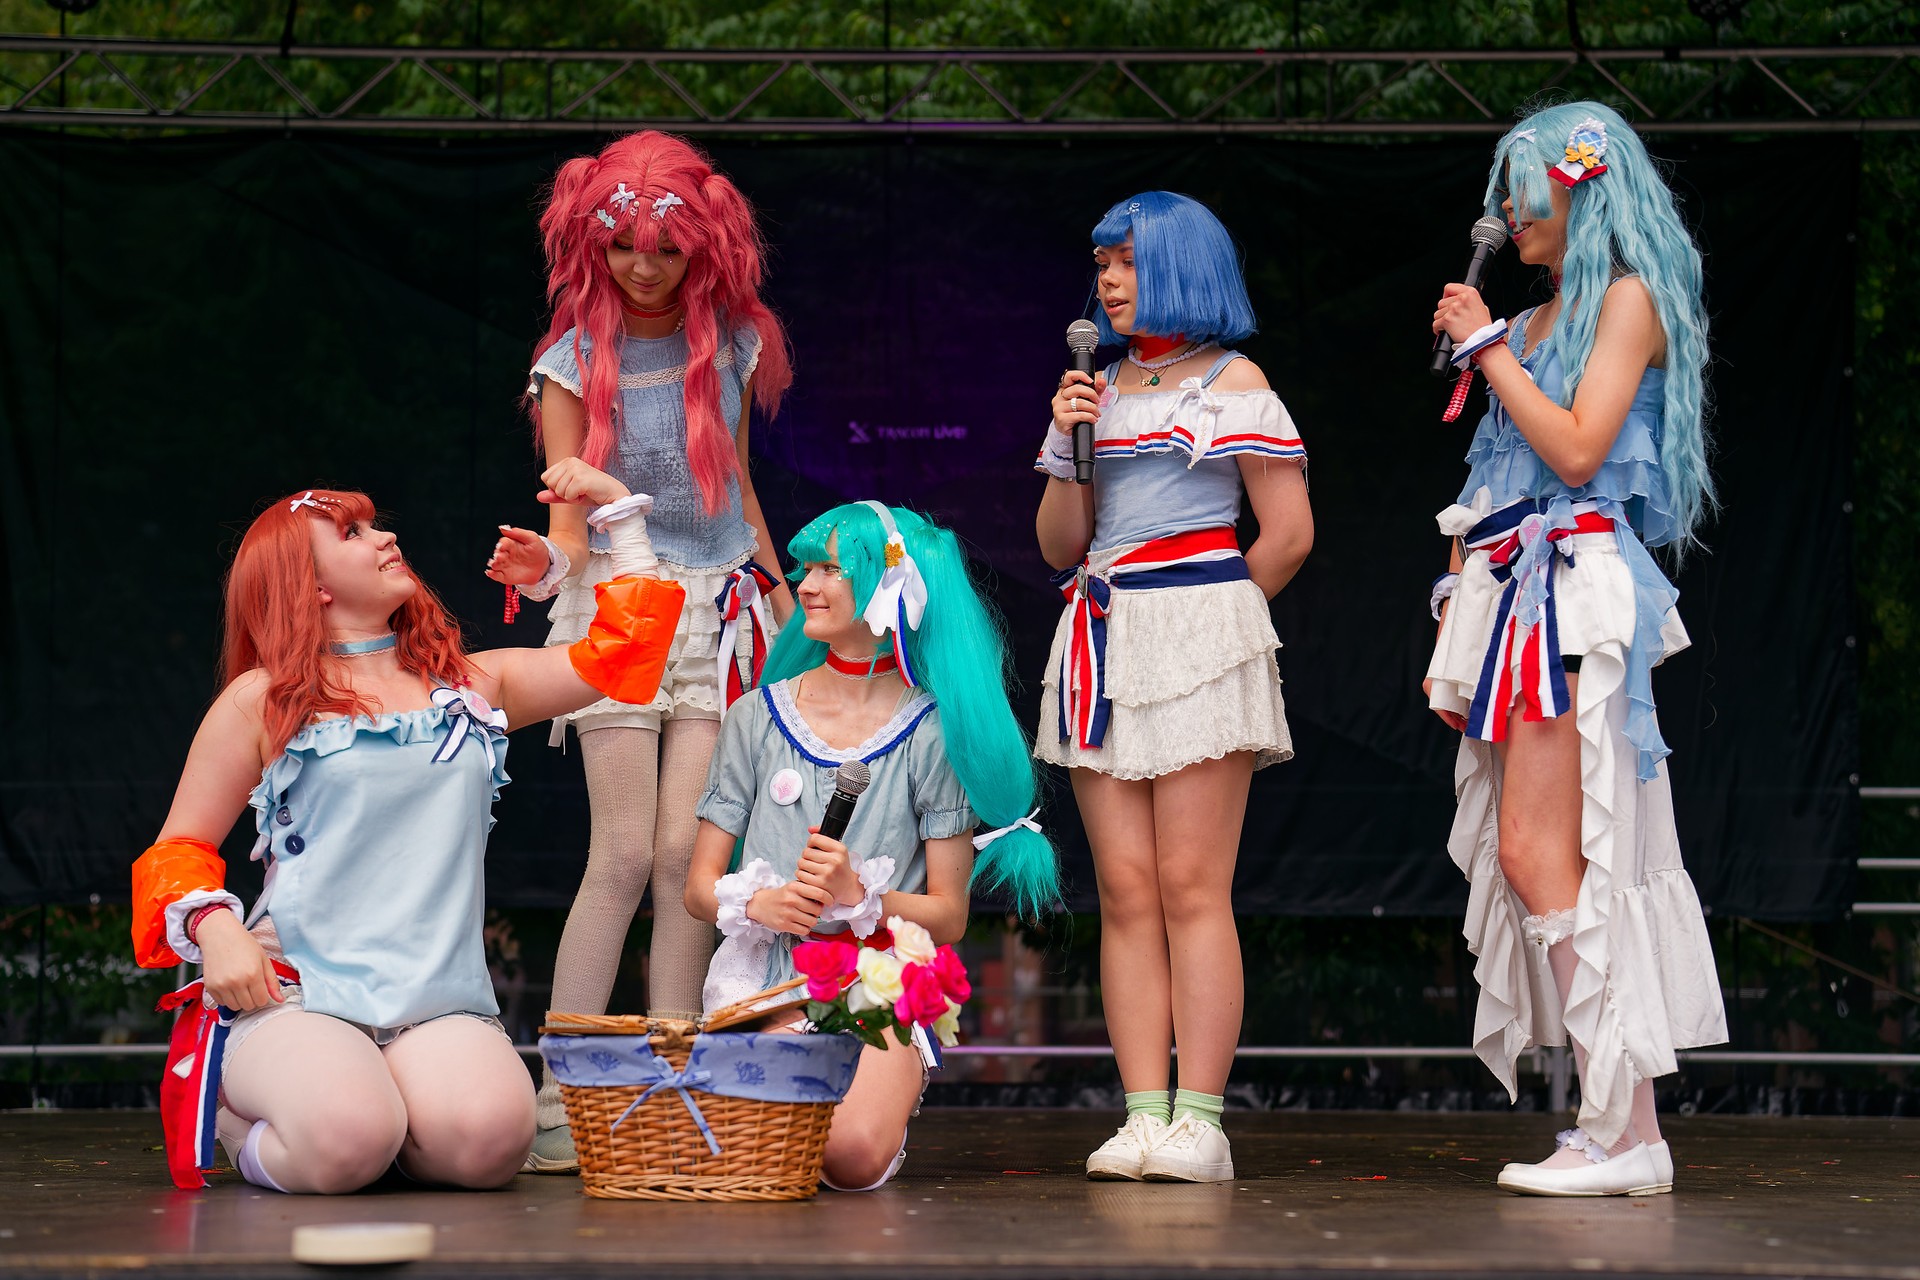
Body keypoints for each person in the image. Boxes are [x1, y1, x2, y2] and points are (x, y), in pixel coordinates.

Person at [131, 461, 682, 1194]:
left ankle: (376, 1117)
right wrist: (214, 925)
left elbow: (629, 656)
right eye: (353, 533)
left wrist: (619, 515)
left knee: (488, 1145)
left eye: (375, 524)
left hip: (437, 1001)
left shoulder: (475, 685)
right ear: (310, 585)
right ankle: (265, 1124)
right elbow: (178, 849)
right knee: (344, 1141)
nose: (385, 537)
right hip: (296, 991)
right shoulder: (260, 700)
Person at [1424, 101, 1728, 1197]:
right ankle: (1620, 1127)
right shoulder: (1534, 318)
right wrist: (1456, 593)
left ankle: (1623, 1129)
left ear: (1582, 186)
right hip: (1510, 591)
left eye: (1527, 189)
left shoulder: (1628, 301)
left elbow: (1580, 448)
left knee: (1547, 851)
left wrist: (1487, 346)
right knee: (1538, 854)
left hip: (1570, 590)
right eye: (1506, 192)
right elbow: (1497, 472)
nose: (1510, 212)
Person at [485, 129, 795, 1173]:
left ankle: (675, 1077)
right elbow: (569, 528)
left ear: (701, 246)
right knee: (619, 855)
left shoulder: (731, 346)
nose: (644, 265)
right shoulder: (570, 362)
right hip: (616, 605)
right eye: (622, 245)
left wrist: (785, 605)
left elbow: (737, 487)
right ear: (592, 245)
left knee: (684, 862)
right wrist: (543, 564)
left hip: (721, 608)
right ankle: (563, 1091)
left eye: (664, 246)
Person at [1037, 192, 1313, 1183]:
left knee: (1193, 886)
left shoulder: (1237, 382)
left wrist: (1214, 623)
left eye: (1129, 261)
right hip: (1100, 634)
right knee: (1125, 890)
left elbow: (1288, 534)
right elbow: (1060, 544)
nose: (1108, 279)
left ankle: (1202, 1120)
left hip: (1195, 630)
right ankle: (1141, 1114)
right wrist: (1068, 445)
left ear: (1184, 266)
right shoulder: (1093, 387)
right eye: (1102, 261)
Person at [685, 500, 1059, 1191]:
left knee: (851, 1155)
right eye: (806, 568)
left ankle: (878, 1104)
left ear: (889, 582)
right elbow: (698, 886)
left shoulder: (933, 732)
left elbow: (949, 915)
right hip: (767, 980)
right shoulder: (753, 717)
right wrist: (761, 904)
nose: (806, 585)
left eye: (830, 569)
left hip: (878, 983)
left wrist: (861, 896)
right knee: (770, 1147)